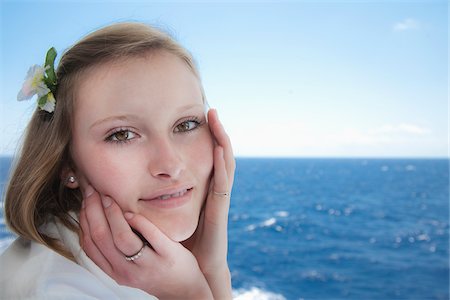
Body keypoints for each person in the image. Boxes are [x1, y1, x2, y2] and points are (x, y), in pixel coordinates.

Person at [0, 22, 235, 299]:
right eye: (122, 135)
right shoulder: (54, 291)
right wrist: (190, 294)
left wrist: (212, 269)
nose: (171, 165)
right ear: (67, 162)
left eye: (186, 125)